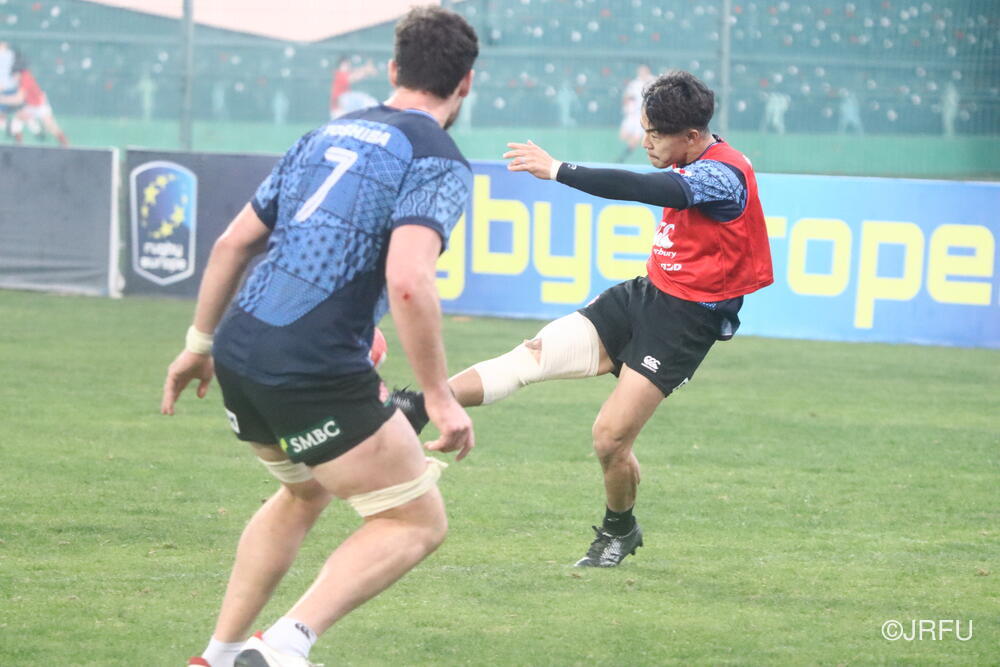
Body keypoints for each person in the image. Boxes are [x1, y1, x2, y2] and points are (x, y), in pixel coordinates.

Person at [160, 7, 478, 667]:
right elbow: (410, 280)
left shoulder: (324, 133)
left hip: (240, 348)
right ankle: (281, 646)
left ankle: (217, 655)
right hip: (311, 364)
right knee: (415, 520)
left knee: (304, 489)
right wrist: (439, 397)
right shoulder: (437, 157)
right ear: (465, 83)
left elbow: (232, 243)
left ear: (393, 69)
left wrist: (197, 344)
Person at [392, 70, 774, 568]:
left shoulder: (724, 176)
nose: (646, 142)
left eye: (656, 135)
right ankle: (416, 405)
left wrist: (558, 170)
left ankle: (620, 530)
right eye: (645, 129)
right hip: (645, 294)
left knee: (609, 439)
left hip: (684, 324)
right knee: (532, 355)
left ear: (692, 135)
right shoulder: (688, 154)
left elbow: (644, 188)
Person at [10, 60, 69, 146]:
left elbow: (18, 99)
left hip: (40, 105)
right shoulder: (22, 78)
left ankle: (65, 145)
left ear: (18, 73)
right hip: (30, 105)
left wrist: (2, 99)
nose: (13, 77)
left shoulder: (25, 77)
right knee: (18, 118)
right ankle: (18, 144)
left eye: (14, 75)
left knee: (50, 126)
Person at [617, 64, 654, 162]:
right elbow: (627, 97)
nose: (641, 72)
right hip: (632, 115)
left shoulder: (653, 82)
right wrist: (626, 107)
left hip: (643, 115)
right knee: (623, 136)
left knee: (636, 138)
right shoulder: (634, 83)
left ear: (648, 71)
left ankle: (622, 159)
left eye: (644, 70)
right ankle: (636, 145)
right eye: (640, 71)